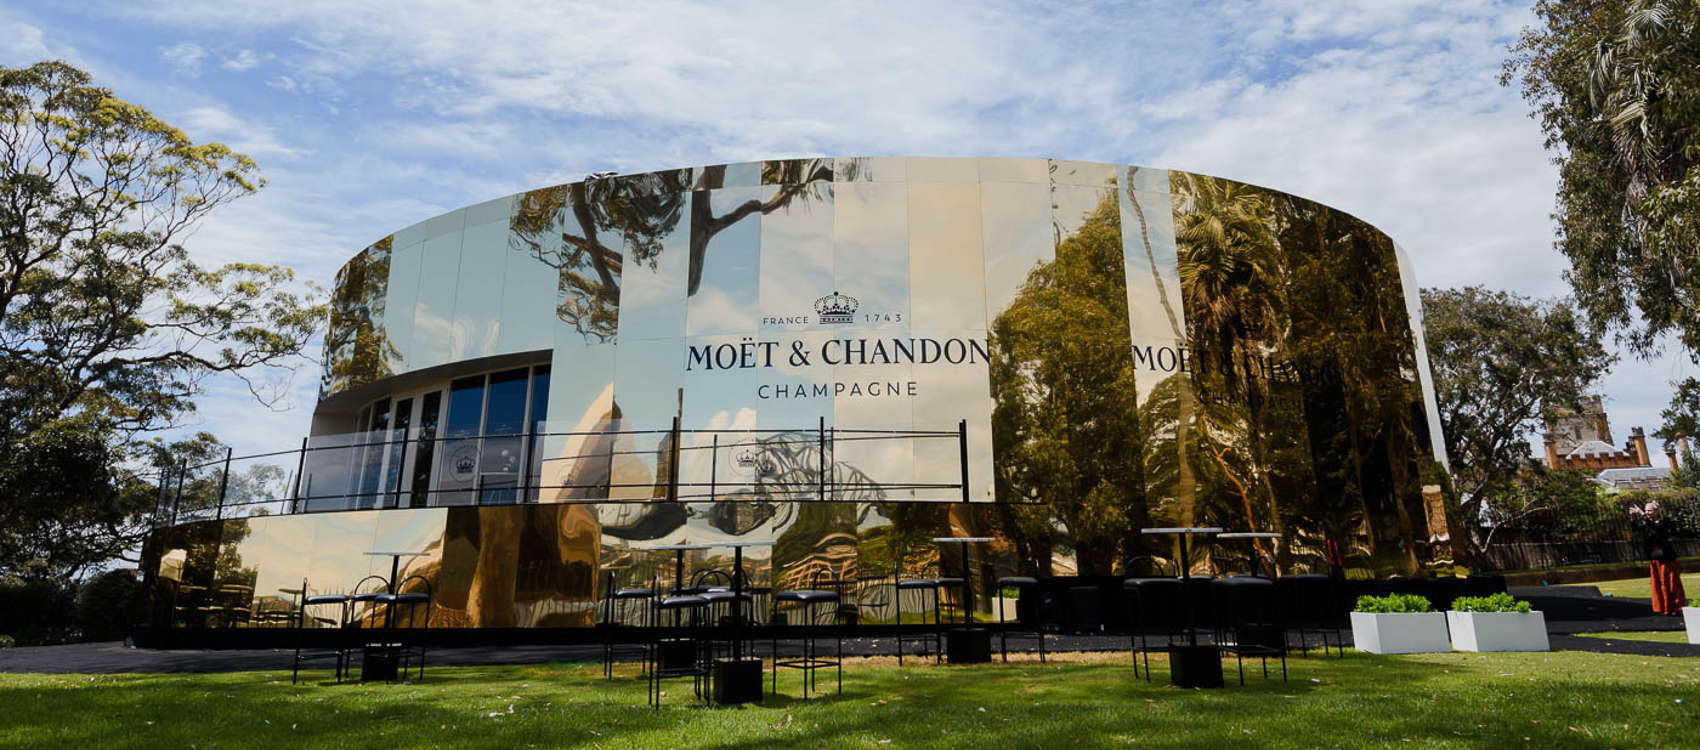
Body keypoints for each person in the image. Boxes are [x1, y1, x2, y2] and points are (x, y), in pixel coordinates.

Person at [1640, 502, 1686, 615]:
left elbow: (1657, 531)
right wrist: (1632, 517)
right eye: (1645, 511)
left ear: (1656, 511)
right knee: (1658, 583)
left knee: (1671, 583)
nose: (1647, 513)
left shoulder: (1664, 522)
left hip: (1666, 558)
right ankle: (1663, 607)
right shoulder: (1647, 524)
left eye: (1649, 511)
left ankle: (1676, 606)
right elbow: (1638, 530)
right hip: (1655, 556)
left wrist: (1643, 516)